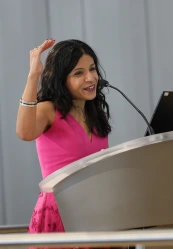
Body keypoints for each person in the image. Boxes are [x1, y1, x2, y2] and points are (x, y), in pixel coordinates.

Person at [16, 39, 112, 241]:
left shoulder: (94, 114)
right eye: (79, 73)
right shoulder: (48, 110)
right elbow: (24, 133)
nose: (90, 78)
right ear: (61, 79)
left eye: (92, 69)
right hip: (60, 214)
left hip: (96, 214)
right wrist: (33, 76)